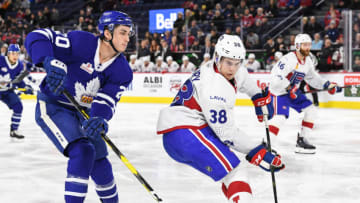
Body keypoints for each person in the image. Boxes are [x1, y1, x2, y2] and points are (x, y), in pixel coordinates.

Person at [157, 34, 284, 202]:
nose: (233, 68)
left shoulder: (225, 69)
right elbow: (227, 134)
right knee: (236, 172)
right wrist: (257, 150)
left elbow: (244, 78)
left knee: (230, 176)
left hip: (185, 131)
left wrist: (257, 96)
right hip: (186, 133)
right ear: (217, 58)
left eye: (237, 63)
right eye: (229, 63)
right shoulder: (214, 88)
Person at [25, 11, 134, 202]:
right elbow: (38, 36)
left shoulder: (122, 70)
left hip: (85, 112)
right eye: (123, 32)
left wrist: (99, 118)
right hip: (54, 106)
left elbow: (106, 99)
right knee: (83, 151)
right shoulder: (81, 42)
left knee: (101, 163)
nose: (127, 39)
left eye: (128, 34)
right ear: (107, 33)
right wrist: (48, 60)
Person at [268, 33, 342, 154]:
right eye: (305, 45)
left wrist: (327, 85)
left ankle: (302, 141)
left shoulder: (307, 62)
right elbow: (276, 76)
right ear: (297, 46)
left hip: (294, 92)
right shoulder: (288, 59)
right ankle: (268, 145)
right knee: (280, 117)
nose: (308, 47)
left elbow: (313, 78)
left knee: (311, 110)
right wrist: (289, 87)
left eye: (309, 45)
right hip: (279, 92)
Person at [0, 44, 34, 139]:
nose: (15, 56)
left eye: (17, 54)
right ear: (8, 54)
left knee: (18, 107)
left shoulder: (19, 65)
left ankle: (14, 130)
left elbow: (18, 80)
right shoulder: (1, 60)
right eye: (13, 53)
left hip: (6, 92)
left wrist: (25, 88)